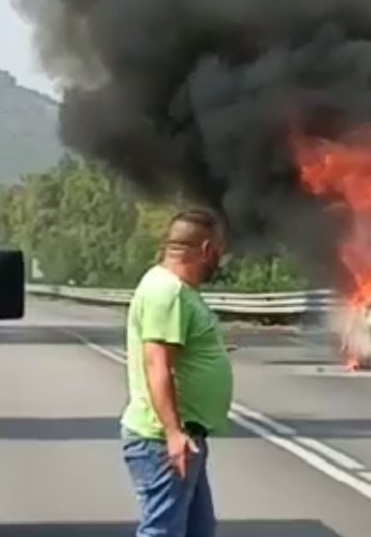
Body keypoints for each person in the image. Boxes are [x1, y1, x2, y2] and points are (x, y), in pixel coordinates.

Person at [120, 208, 234, 537]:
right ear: (205, 249)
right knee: (163, 531)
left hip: (183, 436)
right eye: (220, 250)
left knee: (198, 530)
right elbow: (157, 363)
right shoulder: (167, 292)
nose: (220, 259)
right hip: (162, 439)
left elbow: (177, 350)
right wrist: (173, 433)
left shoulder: (176, 290)